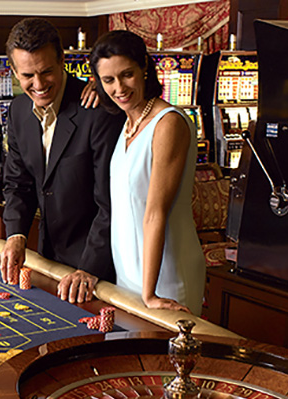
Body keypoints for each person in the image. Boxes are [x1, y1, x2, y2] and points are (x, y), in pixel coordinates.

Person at [0, 18, 125, 304]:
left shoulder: (98, 111)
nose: (39, 84)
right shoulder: (18, 111)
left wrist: (89, 268)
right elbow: (18, 184)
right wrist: (16, 234)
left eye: (46, 72)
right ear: (14, 72)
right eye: (28, 75)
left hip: (97, 266)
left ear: (62, 61)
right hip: (50, 257)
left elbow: (111, 203)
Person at [89, 30, 205, 314]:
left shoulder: (168, 123)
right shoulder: (126, 125)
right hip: (127, 270)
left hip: (165, 274)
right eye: (108, 80)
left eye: (127, 74)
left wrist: (150, 293)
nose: (119, 88)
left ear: (144, 67)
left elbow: (155, 213)